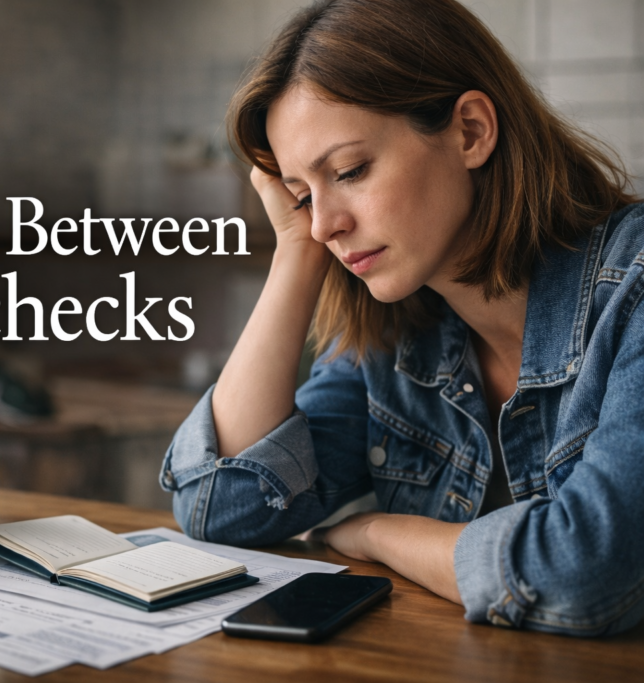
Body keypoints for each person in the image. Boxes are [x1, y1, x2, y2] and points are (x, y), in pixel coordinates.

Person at [159, 0, 643, 637]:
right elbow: (221, 507)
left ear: (469, 131)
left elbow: (579, 574)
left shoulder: (631, 291)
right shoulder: (392, 333)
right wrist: (295, 254)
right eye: (304, 195)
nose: (327, 223)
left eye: (351, 171)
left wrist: (373, 533)